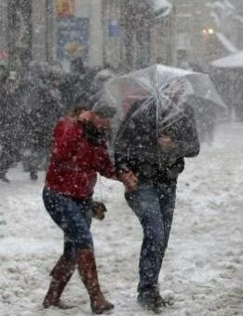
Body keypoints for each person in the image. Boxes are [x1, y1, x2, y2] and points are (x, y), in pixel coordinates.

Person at [42, 101, 137, 313]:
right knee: (83, 241)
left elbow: (103, 166)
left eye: (109, 120)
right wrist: (78, 126)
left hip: (82, 198)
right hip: (59, 195)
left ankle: (52, 297)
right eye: (103, 118)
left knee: (73, 249)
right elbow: (61, 152)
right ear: (91, 114)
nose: (107, 123)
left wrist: (123, 175)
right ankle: (96, 297)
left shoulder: (97, 138)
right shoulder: (68, 126)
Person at [114, 82, 200, 312]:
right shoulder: (140, 111)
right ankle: (146, 291)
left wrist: (174, 145)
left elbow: (194, 147)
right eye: (168, 88)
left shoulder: (184, 112)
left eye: (177, 89)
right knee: (155, 231)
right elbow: (120, 144)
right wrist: (123, 170)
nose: (174, 93)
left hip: (168, 182)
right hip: (143, 182)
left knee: (161, 238)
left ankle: (151, 288)